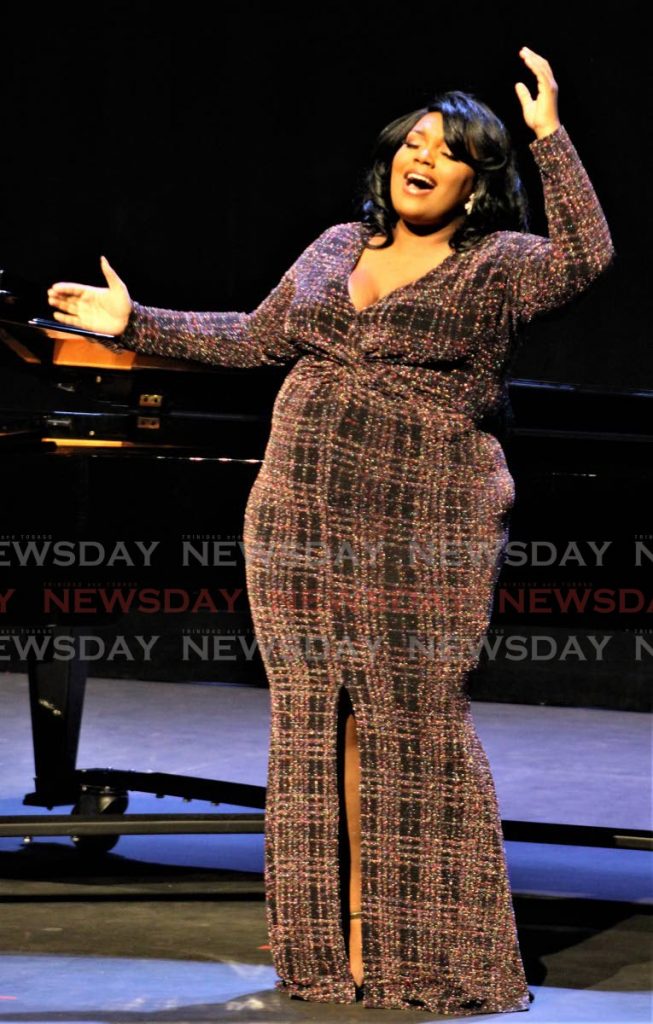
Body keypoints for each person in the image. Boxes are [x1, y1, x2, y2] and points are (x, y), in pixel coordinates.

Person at [48, 46, 615, 1015]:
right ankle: (335, 948)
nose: (420, 156)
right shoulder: (329, 247)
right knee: (316, 728)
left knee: (412, 725)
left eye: (447, 150)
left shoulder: (497, 265)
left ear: (478, 181)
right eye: (411, 142)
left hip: (425, 518)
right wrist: (132, 320)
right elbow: (256, 339)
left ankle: (434, 954)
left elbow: (585, 257)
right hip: (296, 514)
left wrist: (548, 138)